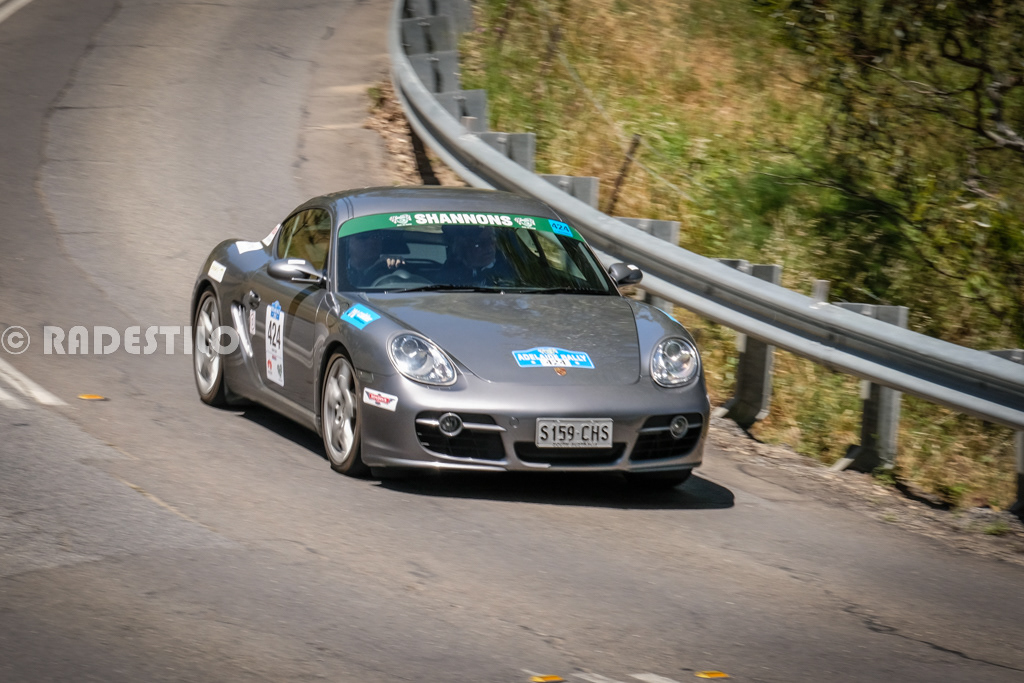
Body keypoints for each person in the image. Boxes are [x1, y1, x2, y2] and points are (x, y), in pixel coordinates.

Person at [439, 225, 514, 286]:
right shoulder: (450, 271)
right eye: (479, 243)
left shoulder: (511, 268)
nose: (489, 247)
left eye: (491, 239)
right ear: (463, 247)